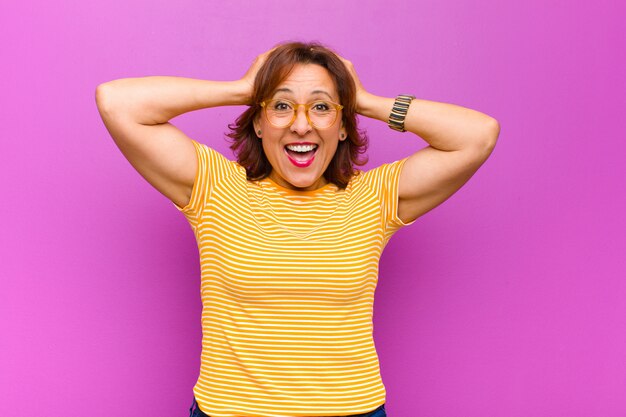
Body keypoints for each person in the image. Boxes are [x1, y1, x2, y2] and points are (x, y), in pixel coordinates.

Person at [95, 41, 500, 417]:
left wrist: (365, 101)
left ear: (343, 127)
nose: (302, 125)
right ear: (258, 123)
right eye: (282, 107)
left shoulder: (375, 196)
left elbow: (477, 135)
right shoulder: (215, 186)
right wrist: (245, 88)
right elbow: (118, 102)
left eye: (322, 108)